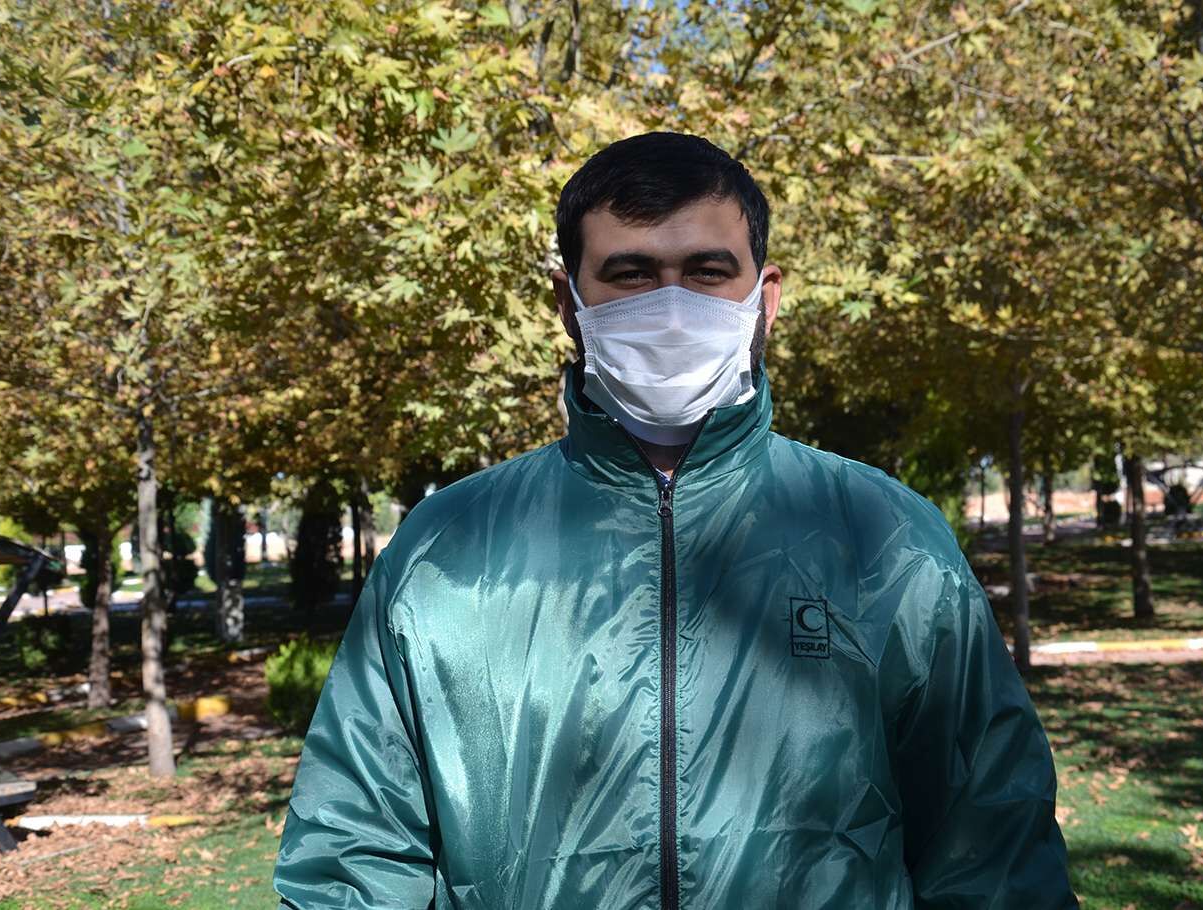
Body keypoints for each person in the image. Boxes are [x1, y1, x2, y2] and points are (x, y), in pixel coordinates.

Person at [273, 131, 1077, 909]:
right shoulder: (447, 552)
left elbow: (991, 846)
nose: (670, 308)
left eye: (706, 271)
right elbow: (354, 854)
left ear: (766, 299)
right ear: (567, 302)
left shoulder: (883, 539)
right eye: (630, 273)